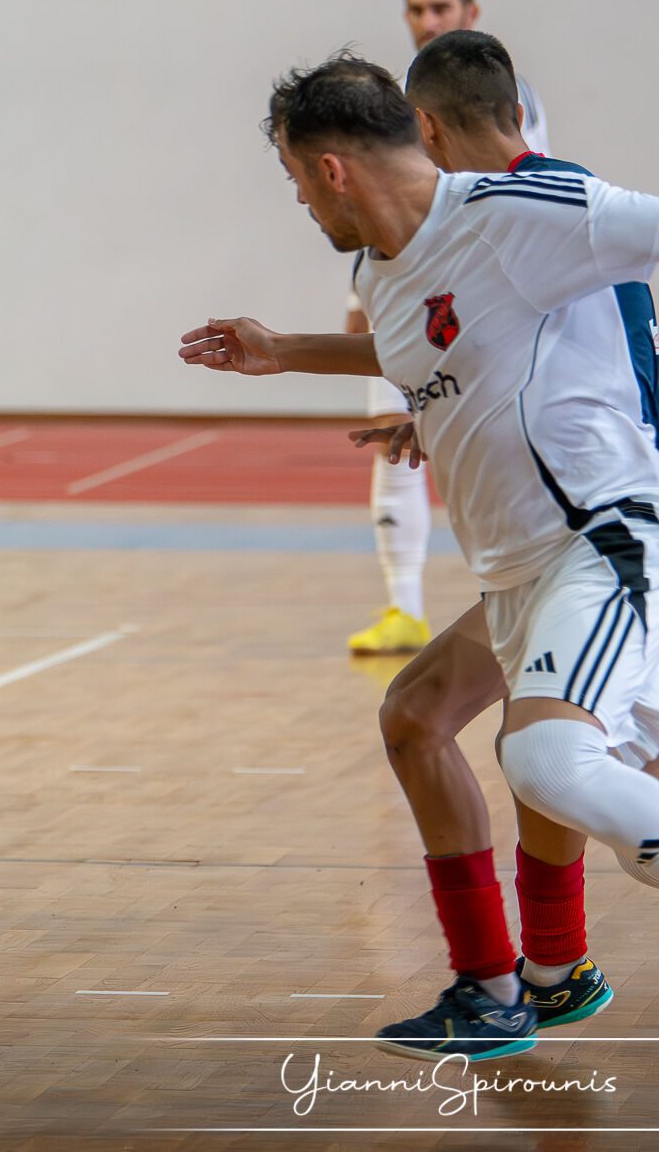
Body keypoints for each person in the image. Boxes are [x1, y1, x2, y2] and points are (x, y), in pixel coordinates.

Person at [180, 51, 659, 1060]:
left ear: (328, 170)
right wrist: (284, 351)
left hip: (608, 537)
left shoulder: (520, 211)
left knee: (544, 755)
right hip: (520, 571)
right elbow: (424, 345)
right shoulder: (375, 268)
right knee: (415, 716)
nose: (298, 204)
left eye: (291, 180)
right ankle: (515, 985)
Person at [344, 0, 550, 655]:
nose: (427, 20)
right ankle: (403, 604)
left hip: (475, 294)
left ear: (471, 10)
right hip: (407, 284)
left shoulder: (507, 96)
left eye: (439, 7)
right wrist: (358, 290)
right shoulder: (401, 100)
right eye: (416, 9)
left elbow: (516, 196)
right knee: (390, 431)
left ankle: (532, 582)